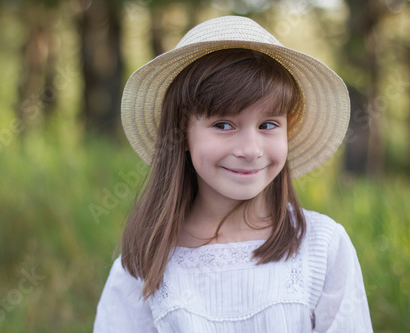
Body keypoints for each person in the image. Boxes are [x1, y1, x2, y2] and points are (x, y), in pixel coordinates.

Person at [94, 16, 373, 332]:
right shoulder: (145, 264)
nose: (250, 149)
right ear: (182, 133)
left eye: (268, 125)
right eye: (223, 125)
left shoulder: (323, 247)